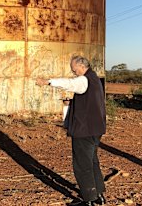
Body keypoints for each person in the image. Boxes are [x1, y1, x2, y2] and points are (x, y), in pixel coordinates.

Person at [36, 55, 107, 206]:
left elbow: (70, 84)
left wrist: (48, 81)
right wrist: (71, 104)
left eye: (73, 68)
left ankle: (89, 199)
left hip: (84, 130)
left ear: (81, 66)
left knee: (82, 164)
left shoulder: (84, 79)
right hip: (95, 129)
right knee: (92, 161)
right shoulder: (94, 79)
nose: (72, 71)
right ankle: (98, 195)